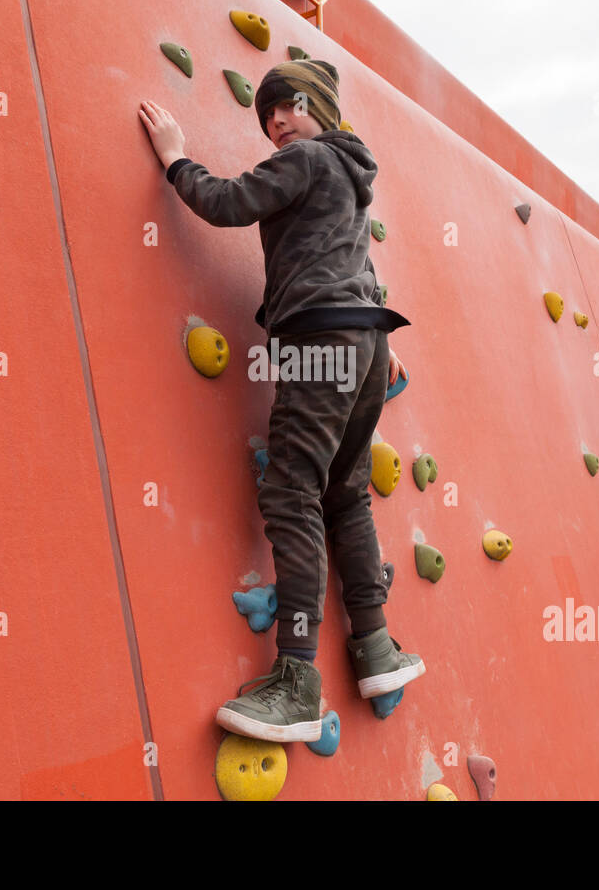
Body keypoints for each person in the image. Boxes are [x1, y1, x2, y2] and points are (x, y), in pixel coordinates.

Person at [138, 60, 425, 743]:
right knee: (346, 495)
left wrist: (176, 157)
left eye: (288, 106)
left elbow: (228, 203)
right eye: (267, 116)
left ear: (318, 106)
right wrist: (374, 338)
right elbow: (361, 268)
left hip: (318, 338)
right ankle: (377, 650)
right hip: (363, 341)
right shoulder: (352, 178)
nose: (276, 123)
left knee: (292, 491)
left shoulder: (306, 158)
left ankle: (296, 679)